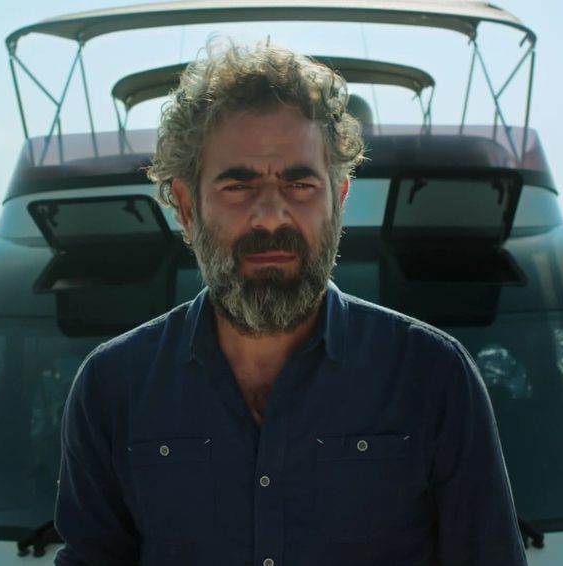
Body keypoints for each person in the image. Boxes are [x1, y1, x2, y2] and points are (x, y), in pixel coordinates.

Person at [54, 42, 527, 566]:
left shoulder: (434, 376)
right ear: (187, 207)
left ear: (338, 199)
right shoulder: (113, 387)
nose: (271, 215)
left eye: (299, 184)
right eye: (238, 186)